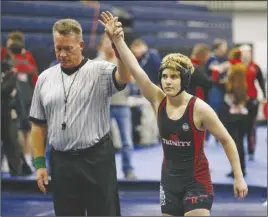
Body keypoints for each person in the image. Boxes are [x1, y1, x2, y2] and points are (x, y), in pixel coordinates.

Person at [99, 11, 248, 216]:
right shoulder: (157, 99)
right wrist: (117, 40)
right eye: (165, 76)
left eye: (174, 77)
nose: (168, 81)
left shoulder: (200, 109)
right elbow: (135, 69)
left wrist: (239, 176)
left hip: (197, 180)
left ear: (184, 79)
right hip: (169, 182)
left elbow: (226, 140)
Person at [29, 17, 131, 216]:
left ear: (81, 45)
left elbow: (124, 77)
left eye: (68, 48)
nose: (62, 54)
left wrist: (117, 44)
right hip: (61, 163)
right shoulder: (44, 78)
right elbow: (38, 125)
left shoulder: (100, 70)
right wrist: (40, 164)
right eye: (58, 48)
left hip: (96, 160)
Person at [95, 33, 136, 179]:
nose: (109, 44)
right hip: (103, 106)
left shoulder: (123, 60)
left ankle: (128, 170)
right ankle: (103, 171)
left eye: (112, 42)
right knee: (100, 142)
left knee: (127, 141)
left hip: (122, 104)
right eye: (106, 42)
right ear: (102, 45)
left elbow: (131, 79)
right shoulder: (96, 62)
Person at [239, 44, 266, 161]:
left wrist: (264, 96)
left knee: (251, 127)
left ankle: (251, 150)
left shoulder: (255, 67)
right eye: (244, 52)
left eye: (248, 52)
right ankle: (239, 151)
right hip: (239, 100)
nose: (246, 55)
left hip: (252, 100)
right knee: (239, 127)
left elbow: (261, 82)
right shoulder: (236, 66)